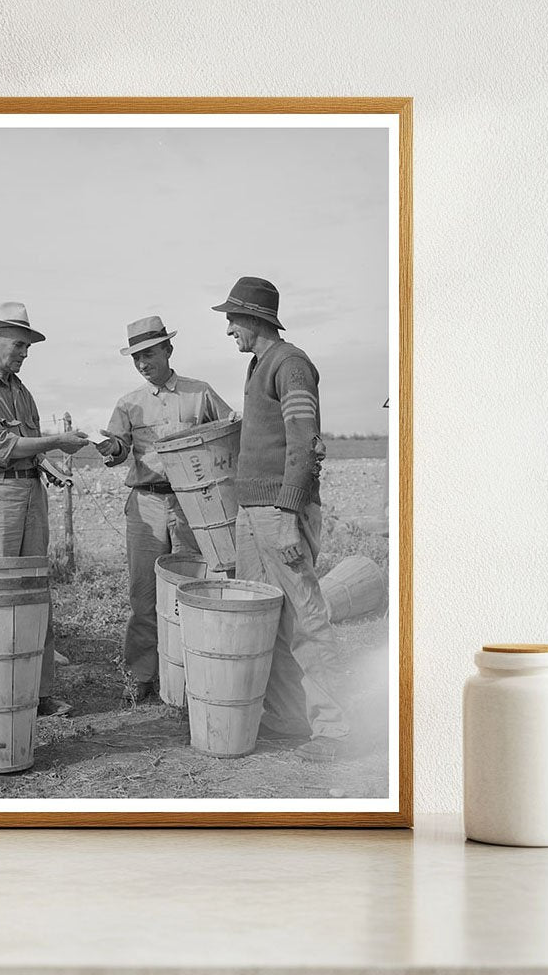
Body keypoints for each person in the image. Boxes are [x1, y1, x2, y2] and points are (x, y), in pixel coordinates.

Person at [212, 276, 350, 762]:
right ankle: (290, 719)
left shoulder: (290, 365)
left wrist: (290, 515)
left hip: (278, 512)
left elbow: (304, 444)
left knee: (307, 618)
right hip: (253, 513)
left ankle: (332, 730)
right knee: (266, 619)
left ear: (254, 319)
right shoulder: (259, 365)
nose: (228, 328)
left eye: (232, 319)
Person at [0, 301, 89, 717]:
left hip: (30, 498)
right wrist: (55, 444)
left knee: (34, 595)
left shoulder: (21, 392)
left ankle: (38, 694)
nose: (24, 353)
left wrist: (48, 467)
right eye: (19, 345)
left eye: (28, 347)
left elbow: (27, 446)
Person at [97, 315, 234, 703]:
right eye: (136, 358)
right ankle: (141, 676)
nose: (143, 363)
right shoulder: (128, 404)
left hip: (195, 504)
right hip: (146, 504)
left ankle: (195, 671)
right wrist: (110, 448)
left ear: (168, 350)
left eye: (149, 354)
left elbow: (228, 432)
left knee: (196, 586)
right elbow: (118, 451)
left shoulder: (200, 393)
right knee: (143, 593)